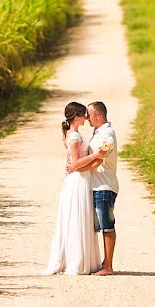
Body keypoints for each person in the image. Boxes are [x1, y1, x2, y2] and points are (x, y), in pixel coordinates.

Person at [43, 102, 107, 275]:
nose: (86, 117)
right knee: (78, 216)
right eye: (83, 115)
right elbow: (77, 163)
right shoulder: (74, 137)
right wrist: (96, 155)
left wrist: (76, 164)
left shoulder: (72, 135)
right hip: (78, 180)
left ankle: (81, 259)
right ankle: (77, 260)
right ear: (76, 117)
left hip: (80, 178)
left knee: (79, 216)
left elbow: (74, 163)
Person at [68, 100, 119, 276]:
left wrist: (75, 167)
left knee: (107, 225)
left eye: (89, 114)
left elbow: (97, 162)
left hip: (104, 185)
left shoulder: (107, 135)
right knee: (99, 225)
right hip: (96, 185)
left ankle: (109, 266)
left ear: (98, 115)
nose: (87, 118)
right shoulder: (98, 133)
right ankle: (103, 262)